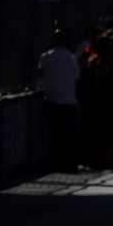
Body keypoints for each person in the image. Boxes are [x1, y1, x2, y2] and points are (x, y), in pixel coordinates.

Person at [38, 28, 80, 172]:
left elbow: (40, 72)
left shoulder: (46, 57)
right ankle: (71, 164)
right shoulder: (71, 58)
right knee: (70, 134)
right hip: (69, 100)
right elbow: (76, 76)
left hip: (53, 100)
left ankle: (56, 163)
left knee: (55, 134)